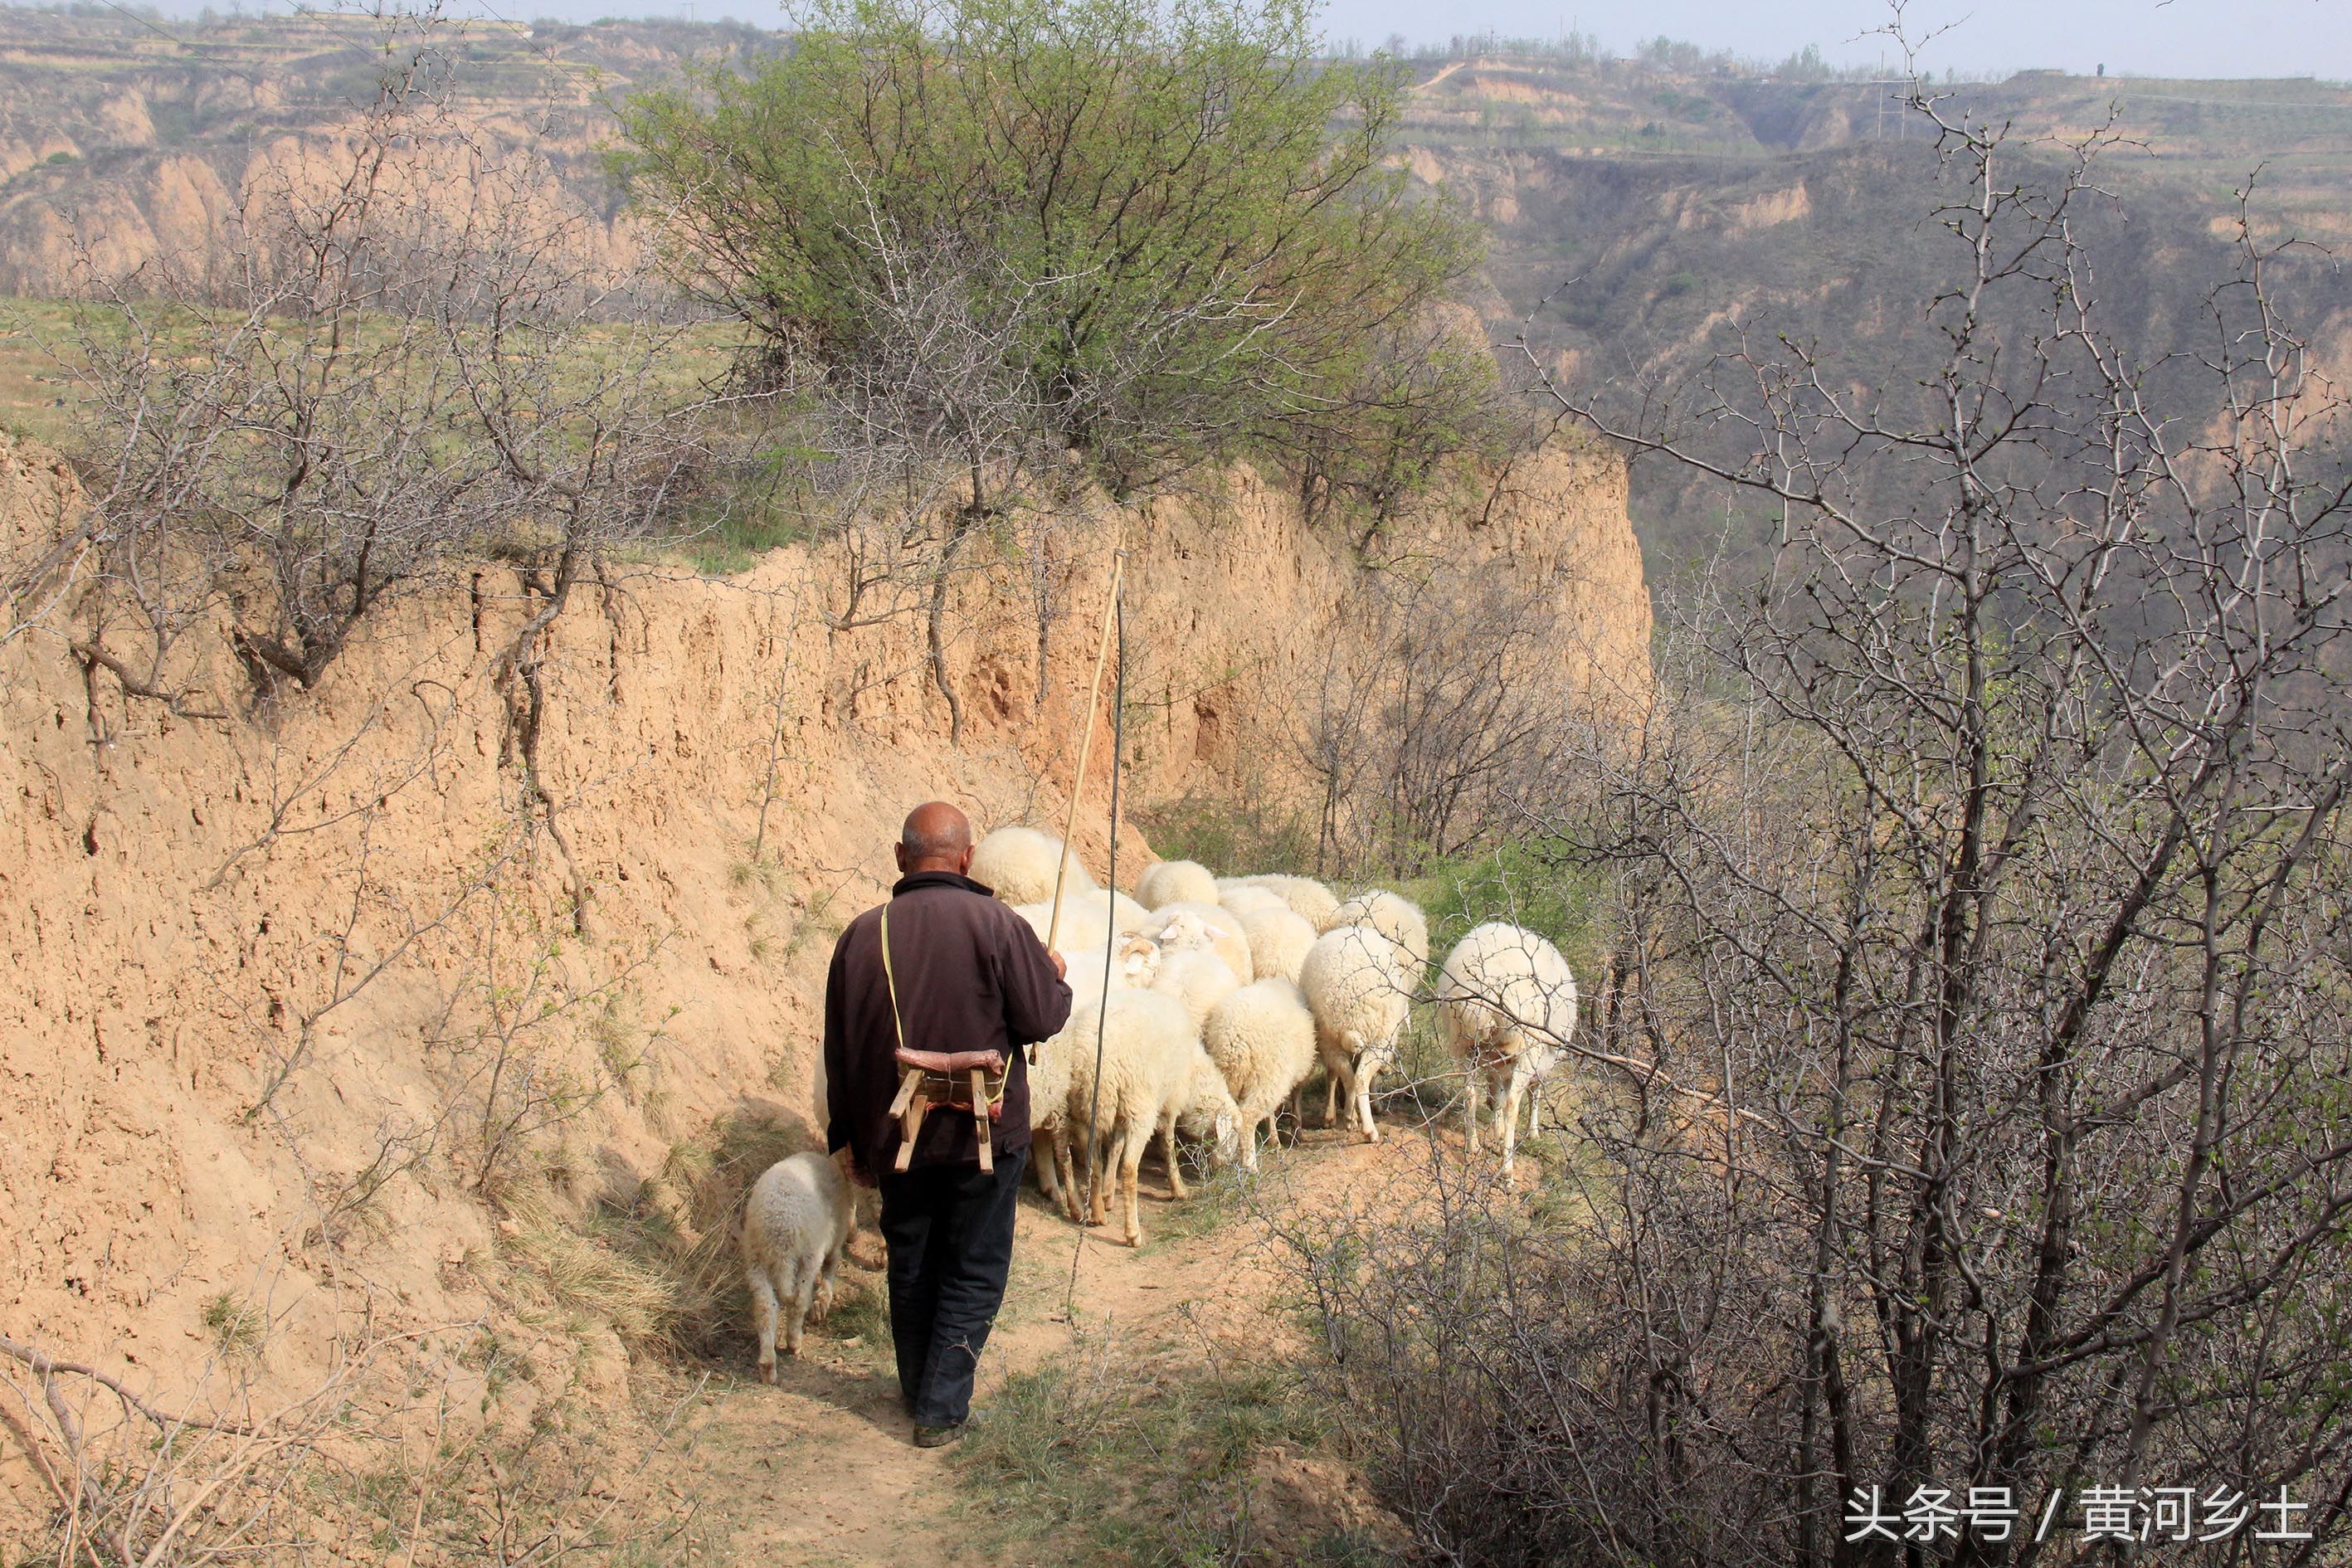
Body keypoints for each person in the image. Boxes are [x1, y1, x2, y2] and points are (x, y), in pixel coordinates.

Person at [823, 801, 1071, 1447]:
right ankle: (940, 1406)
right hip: (981, 1139)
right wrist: (1053, 975)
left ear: (901, 858)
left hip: (895, 1139)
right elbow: (1042, 1019)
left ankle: (919, 1389)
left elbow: (842, 1052)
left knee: (911, 1260)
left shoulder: (861, 934)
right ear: (966, 859)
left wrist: (849, 1140)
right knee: (974, 1266)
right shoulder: (998, 924)